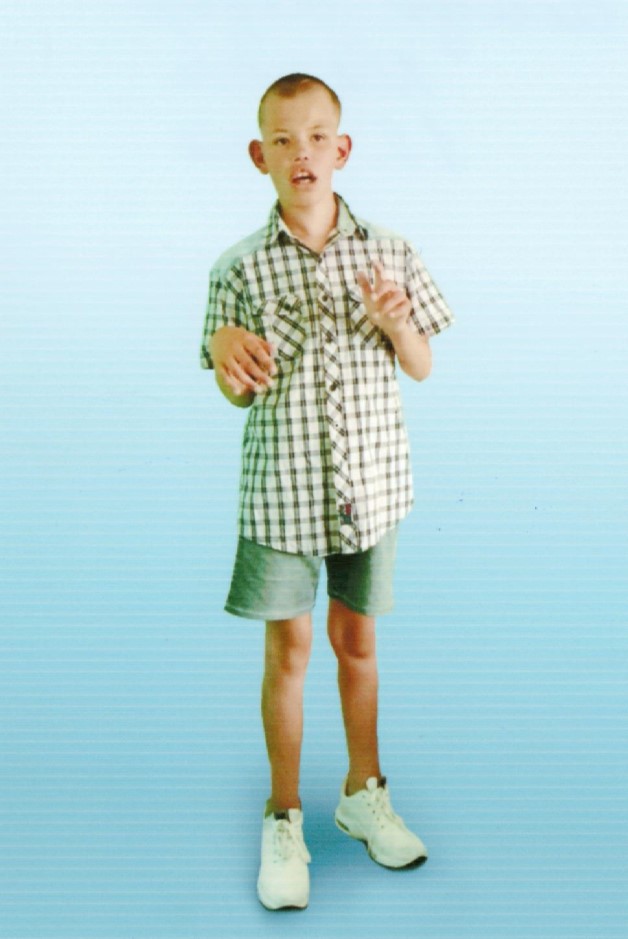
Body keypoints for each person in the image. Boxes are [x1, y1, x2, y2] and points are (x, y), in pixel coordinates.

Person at [200, 73, 454, 911]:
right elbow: (235, 390)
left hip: (370, 485)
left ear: (341, 149)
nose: (301, 152)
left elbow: (421, 364)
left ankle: (362, 792)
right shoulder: (237, 268)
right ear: (260, 156)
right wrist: (227, 352)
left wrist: (397, 320)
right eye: (282, 139)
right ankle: (283, 816)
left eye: (316, 137)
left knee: (358, 640)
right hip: (281, 488)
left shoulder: (390, 252)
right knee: (290, 651)